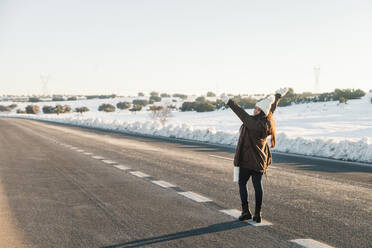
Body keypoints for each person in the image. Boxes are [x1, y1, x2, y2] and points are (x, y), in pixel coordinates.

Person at [221, 88, 288, 223]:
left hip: (247, 160)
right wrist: (277, 96)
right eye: (255, 108)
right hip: (260, 160)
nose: (255, 111)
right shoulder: (267, 121)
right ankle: (258, 214)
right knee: (257, 185)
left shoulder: (252, 123)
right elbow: (271, 109)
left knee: (242, 183)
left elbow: (240, 113)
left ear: (262, 112)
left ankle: (246, 211)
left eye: (258, 109)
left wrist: (228, 101)